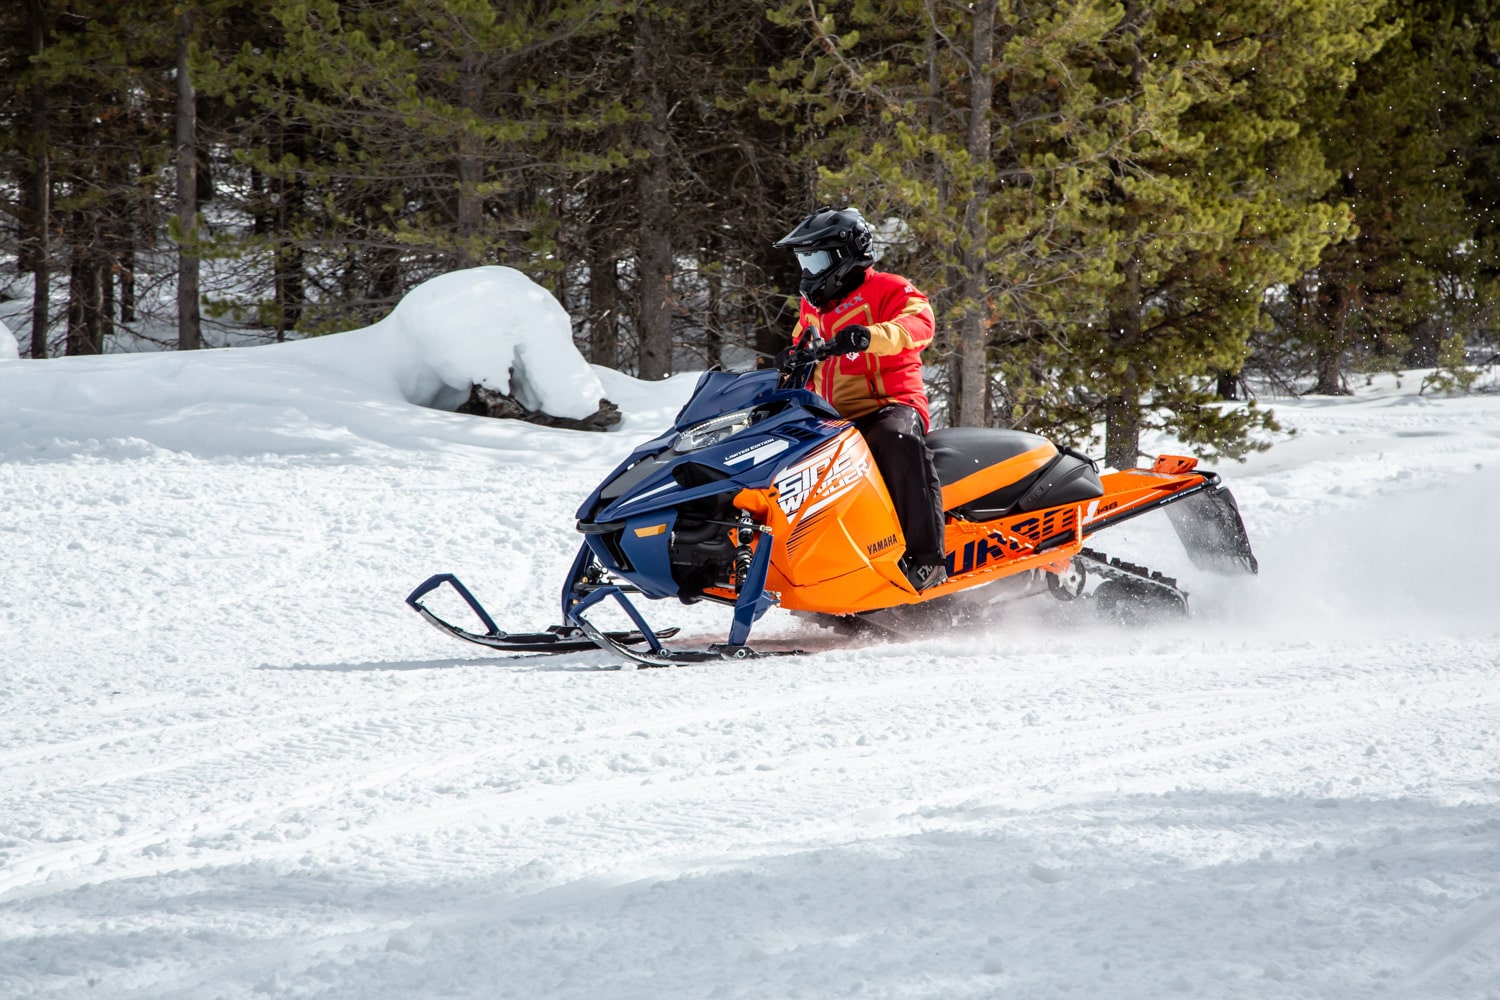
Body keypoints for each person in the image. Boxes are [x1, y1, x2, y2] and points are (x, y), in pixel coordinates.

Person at [773, 206, 948, 592]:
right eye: (805, 261)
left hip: (889, 406)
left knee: (894, 440)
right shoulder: (813, 305)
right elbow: (802, 339)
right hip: (832, 416)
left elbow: (920, 322)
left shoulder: (889, 288)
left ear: (846, 255)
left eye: (816, 259)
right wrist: (791, 356)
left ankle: (928, 560)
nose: (809, 271)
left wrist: (872, 336)